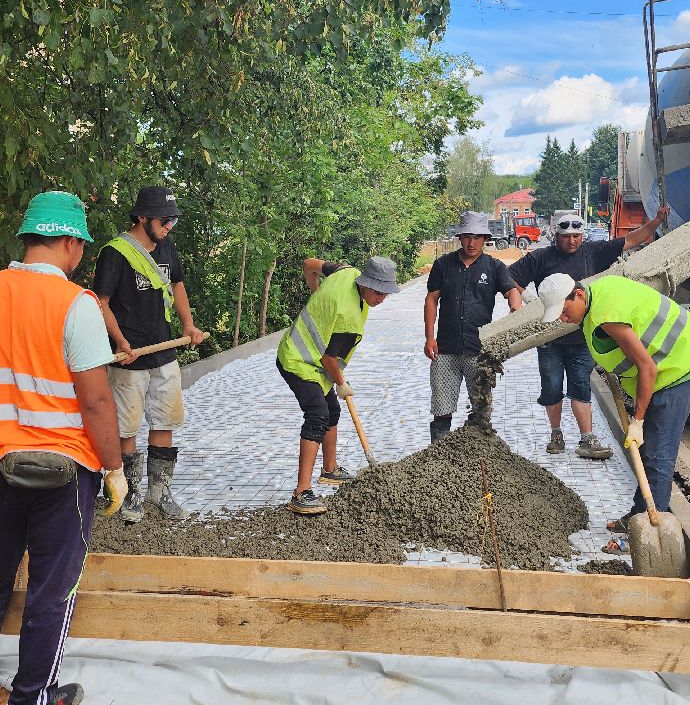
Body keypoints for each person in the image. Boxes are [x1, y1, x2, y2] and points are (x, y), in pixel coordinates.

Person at [0, 191, 126, 705]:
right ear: (71, 243)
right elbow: (96, 402)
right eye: (81, 247)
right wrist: (114, 468)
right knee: (52, 588)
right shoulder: (76, 305)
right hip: (64, 471)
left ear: (28, 237)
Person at [537, 271, 690, 542]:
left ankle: (650, 535)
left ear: (578, 294)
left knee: (658, 453)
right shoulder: (599, 295)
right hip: (670, 366)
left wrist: (638, 421)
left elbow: (647, 367)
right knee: (648, 450)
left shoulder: (607, 315)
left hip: (680, 368)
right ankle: (638, 516)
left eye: (564, 309)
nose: (562, 317)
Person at [507, 208, 668, 458]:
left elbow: (631, 240)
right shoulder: (540, 258)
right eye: (566, 237)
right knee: (551, 386)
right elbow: (509, 277)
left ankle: (587, 437)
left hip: (582, 337)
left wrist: (656, 222)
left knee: (581, 384)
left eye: (577, 236)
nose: (572, 241)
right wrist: (525, 298)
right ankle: (556, 433)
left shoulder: (594, 251)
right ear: (556, 236)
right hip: (549, 337)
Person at [93, 186, 208, 523]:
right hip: (130, 360)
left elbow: (178, 287)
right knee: (126, 428)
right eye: (164, 219)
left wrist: (188, 326)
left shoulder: (166, 246)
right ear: (142, 217)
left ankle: (160, 493)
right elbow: (101, 303)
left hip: (164, 353)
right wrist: (120, 342)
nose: (169, 225)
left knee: (164, 421)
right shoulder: (114, 253)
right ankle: (129, 495)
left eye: (172, 219)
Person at [276, 256, 402, 515]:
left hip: (313, 361)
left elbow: (309, 264)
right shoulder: (349, 319)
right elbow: (329, 359)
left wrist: (316, 296)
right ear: (365, 283)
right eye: (378, 293)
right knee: (318, 415)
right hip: (298, 361)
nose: (381, 299)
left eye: (386, 293)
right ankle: (301, 492)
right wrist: (342, 383)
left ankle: (330, 470)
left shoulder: (345, 271)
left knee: (332, 410)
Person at [424, 211, 522, 441]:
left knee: (481, 409)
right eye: (467, 236)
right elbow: (431, 299)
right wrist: (430, 337)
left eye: (477, 237)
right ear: (460, 237)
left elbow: (512, 291)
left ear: (485, 239)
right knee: (441, 409)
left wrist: (515, 308)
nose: (471, 242)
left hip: (479, 350)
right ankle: (438, 455)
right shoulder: (443, 265)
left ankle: (480, 456)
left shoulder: (494, 267)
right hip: (445, 349)